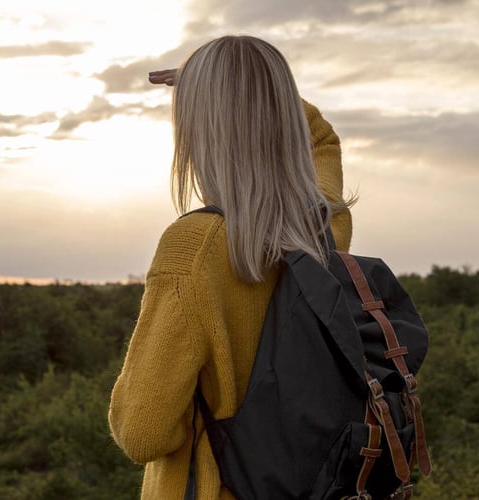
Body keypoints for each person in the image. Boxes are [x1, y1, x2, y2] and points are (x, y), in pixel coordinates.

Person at [109, 35, 353, 499]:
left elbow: (143, 433)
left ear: (203, 131)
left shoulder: (193, 247)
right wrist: (257, 91)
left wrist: (212, 90)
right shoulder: (322, 224)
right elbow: (322, 139)